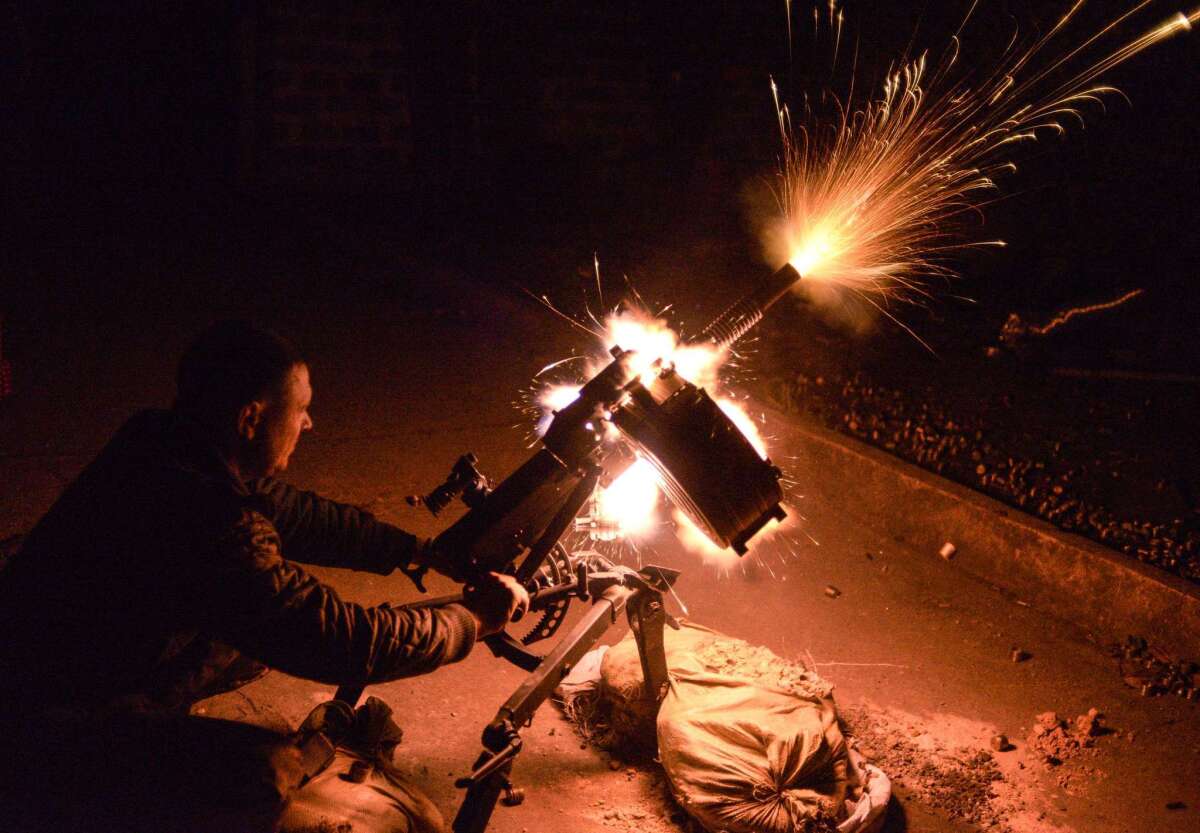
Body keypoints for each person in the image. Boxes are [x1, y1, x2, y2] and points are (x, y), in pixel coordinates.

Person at [0, 320, 528, 832]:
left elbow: (296, 513)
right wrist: (470, 621)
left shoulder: (162, 440)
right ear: (251, 419)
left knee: (244, 643)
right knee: (265, 775)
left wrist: (414, 550)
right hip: (40, 722)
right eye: (299, 409)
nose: (309, 423)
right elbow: (340, 639)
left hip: (54, 651)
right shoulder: (210, 521)